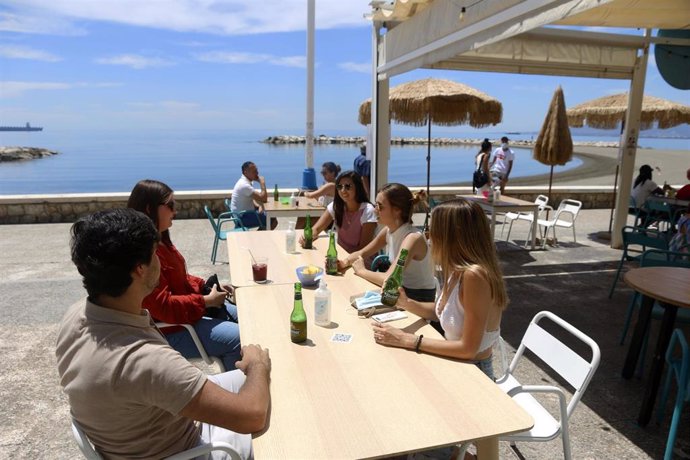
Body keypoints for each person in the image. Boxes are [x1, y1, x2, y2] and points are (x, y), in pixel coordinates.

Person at [56, 208, 270, 459]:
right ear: (139, 269)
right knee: (275, 404)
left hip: (147, 431)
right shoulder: (145, 361)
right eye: (155, 254)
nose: (161, 261)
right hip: (190, 450)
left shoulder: (76, 315)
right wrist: (257, 365)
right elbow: (252, 416)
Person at [371, 198, 508, 380]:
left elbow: (468, 349)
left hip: (474, 373)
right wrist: (407, 303)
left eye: (433, 229)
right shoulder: (457, 270)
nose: (428, 235)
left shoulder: (474, 276)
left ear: (451, 235)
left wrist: (406, 339)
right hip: (457, 364)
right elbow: (443, 313)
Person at [128, 179, 241, 371]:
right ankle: (240, 393)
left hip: (186, 316)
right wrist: (205, 301)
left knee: (249, 314)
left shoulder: (162, 240)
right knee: (239, 338)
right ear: (149, 208)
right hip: (171, 330)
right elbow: (163, 307)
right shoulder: (145, 253)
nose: (175, 211)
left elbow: (181, 277)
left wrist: (208, 287)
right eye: (170, 206)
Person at [338, 183, 437, 303]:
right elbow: (362, 253)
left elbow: (390, 278)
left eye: (380, 206)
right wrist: (344, 262)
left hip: (418, 299)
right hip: (400, 292)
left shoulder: (412, 239)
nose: (375, 210)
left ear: (397, 210)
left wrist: (361, 271)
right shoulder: (388, 231)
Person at [299, 170, 377, 256]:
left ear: (358, 188)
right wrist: (308, 237)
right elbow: (316, 229)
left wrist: (344, 259)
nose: (343, 190)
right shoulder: (337, 206)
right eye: (340, 187)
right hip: (340, 257)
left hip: (361, 261)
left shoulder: (367, 211)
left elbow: (363, 249)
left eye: (348, 186)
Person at [229, 161, 277, 230]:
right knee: (272, 219)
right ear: (245, 172)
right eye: (254, 171)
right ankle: (258, 238)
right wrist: (262, 183)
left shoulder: (245, 182)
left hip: (241, 215)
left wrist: (258, 206)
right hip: (242, 218)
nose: (257, 173)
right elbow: (263, 198)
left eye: (256, 170)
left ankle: (257, 238)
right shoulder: (244, 185)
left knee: (269, 216)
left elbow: (252, 199)